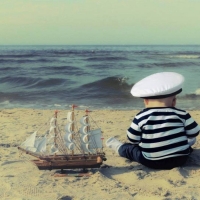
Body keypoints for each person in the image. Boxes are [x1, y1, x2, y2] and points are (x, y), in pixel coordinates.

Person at [106, 72, 200, 169]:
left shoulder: (141, 116)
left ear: (145, 101)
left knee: (131, 150)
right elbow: (194, 132)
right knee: (188, 138)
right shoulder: (182, 114)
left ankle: (118, 147)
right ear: (174, 101)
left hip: (151, 161)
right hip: (180, 159)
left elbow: (133, 138)